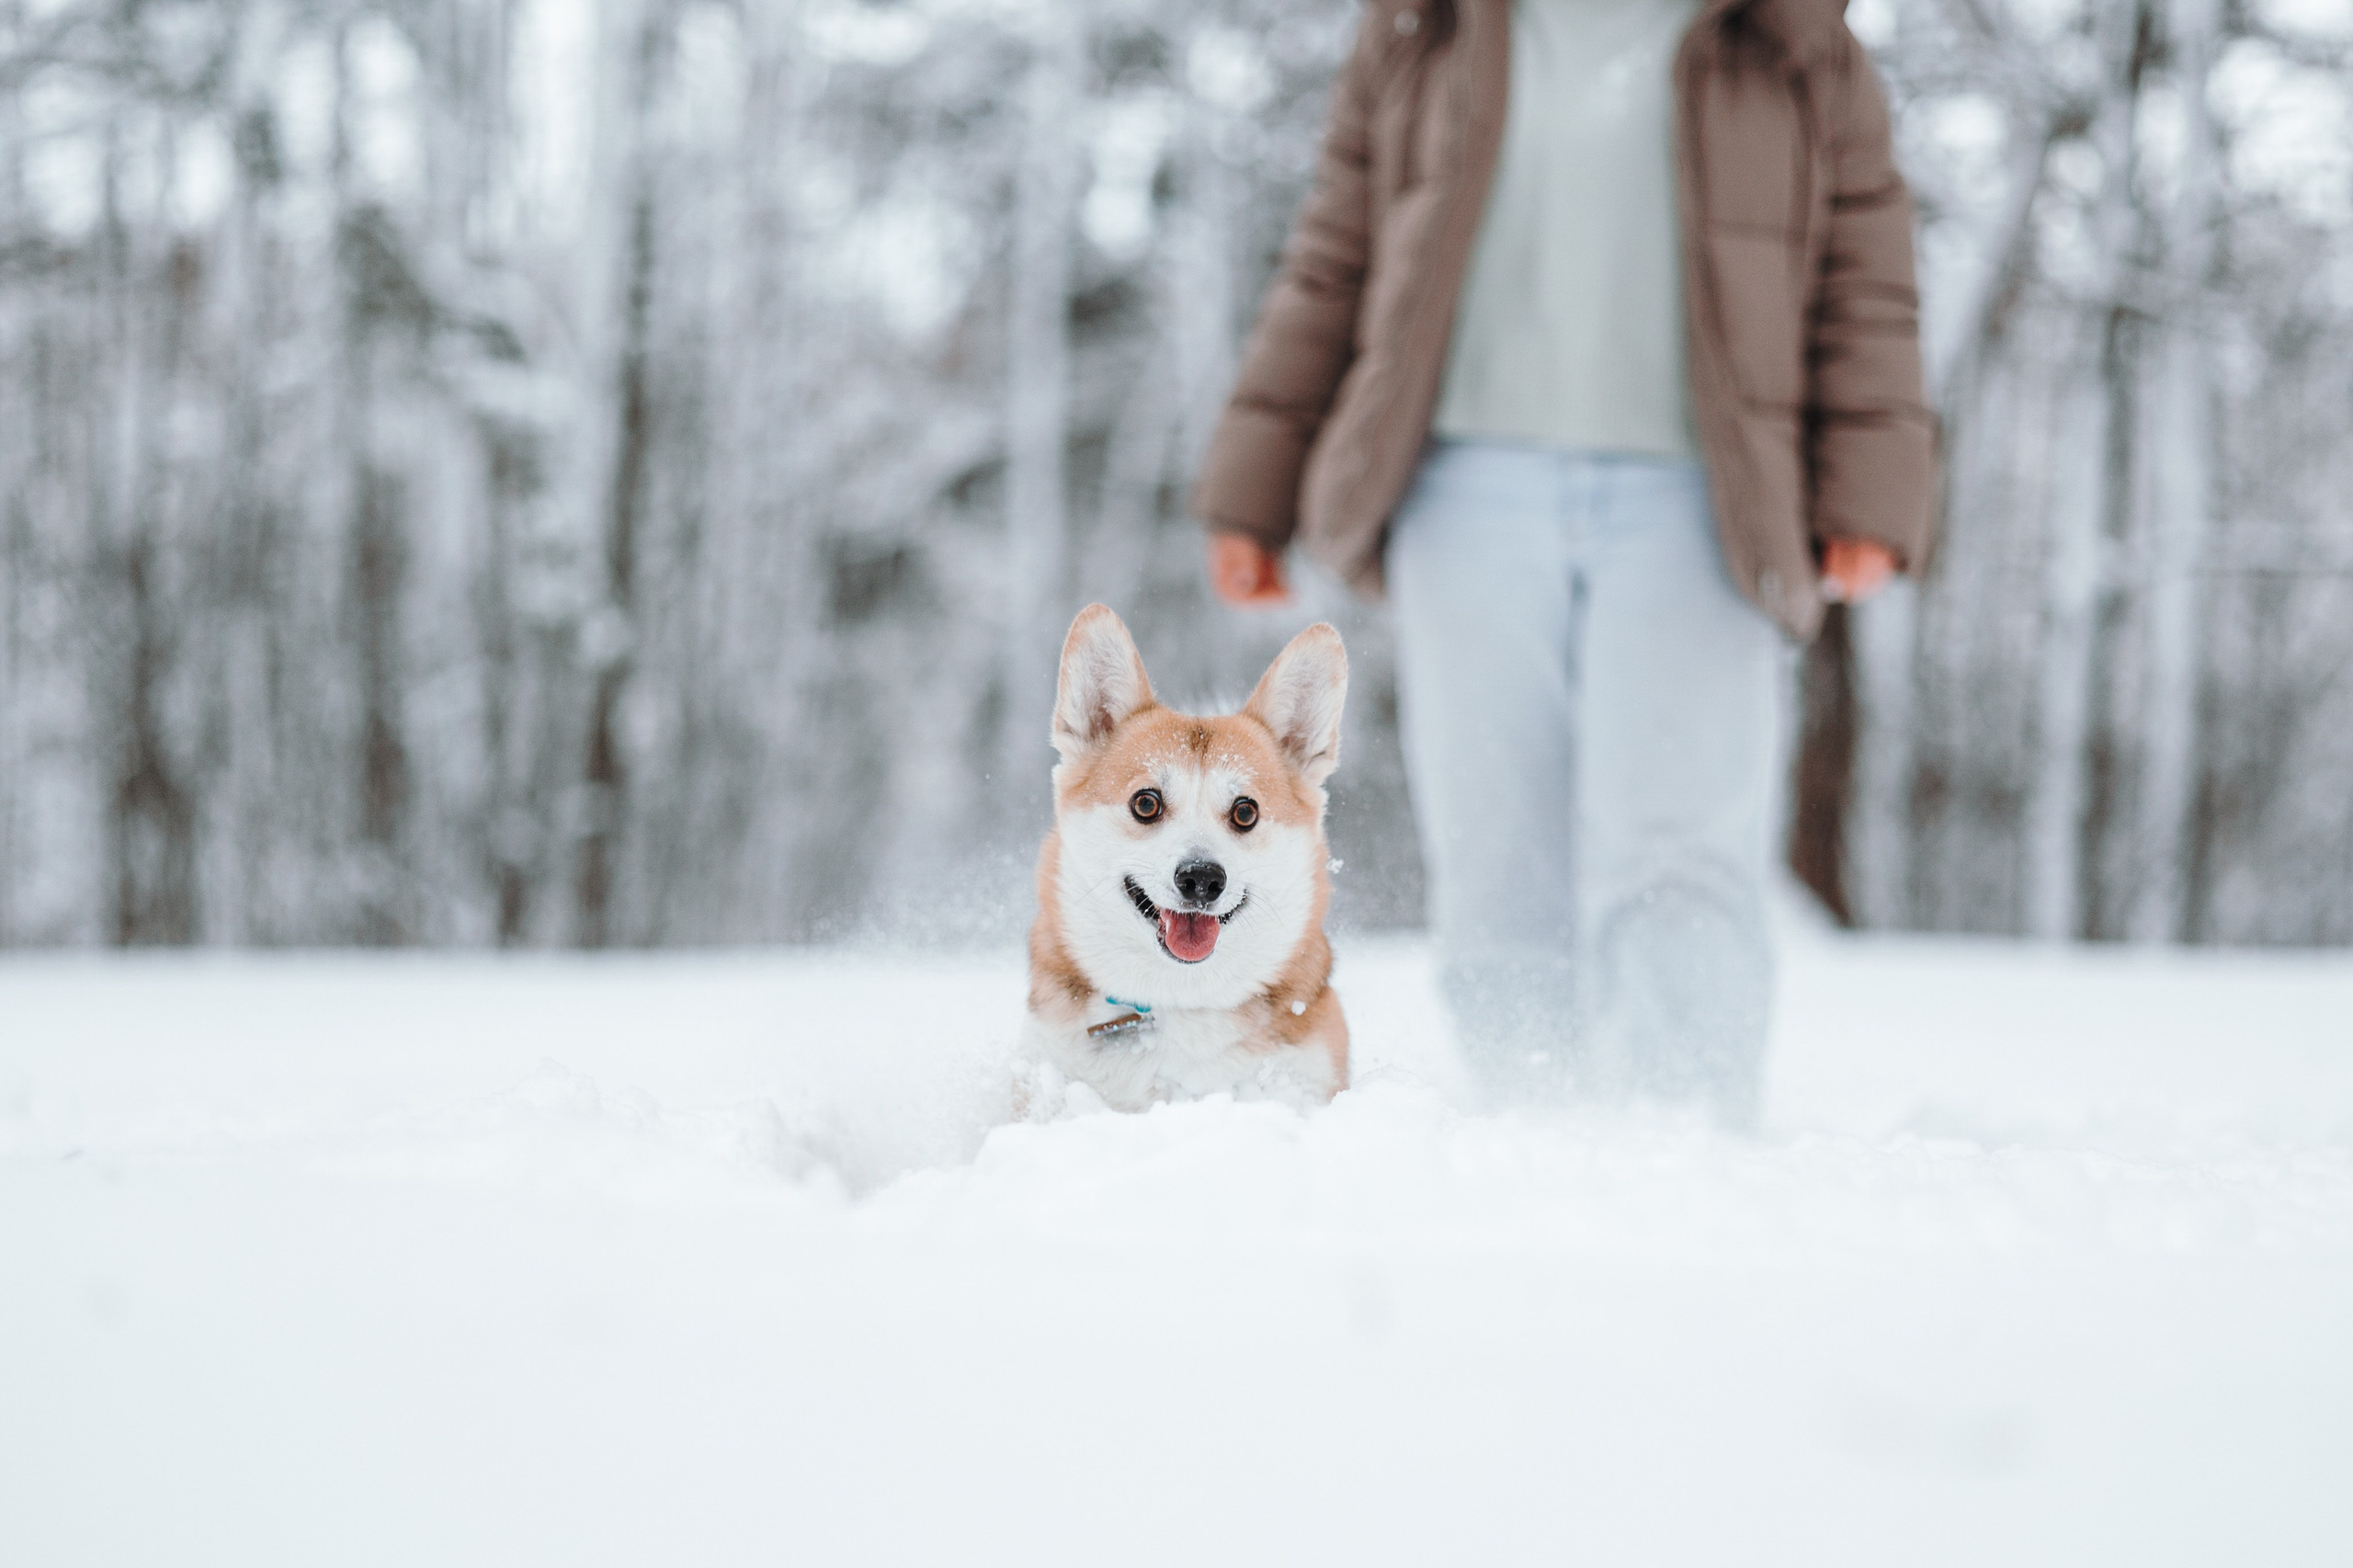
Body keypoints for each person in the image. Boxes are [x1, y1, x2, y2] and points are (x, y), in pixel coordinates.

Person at [1190, 0, 1934, 1121]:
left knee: (1678, 841)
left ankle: (1691, 1136)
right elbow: (1336, 248)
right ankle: (1535, 1121)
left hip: (1701, 497)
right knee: (1496, 847)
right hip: (1464, 484)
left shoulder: (1788, 35)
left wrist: (1867, 487)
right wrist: (1255, 486)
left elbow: (1864, 263)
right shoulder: (1421, 24)